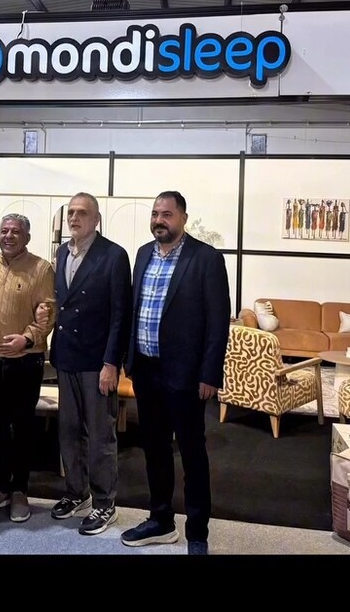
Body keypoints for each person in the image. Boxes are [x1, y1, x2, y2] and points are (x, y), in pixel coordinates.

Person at [120, 191, 230, 555]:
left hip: (186, 375)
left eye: (166, 214)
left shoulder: (206, 258)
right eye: (155, 214)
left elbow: (217, 322)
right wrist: (128, 359)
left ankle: (197, 532)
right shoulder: (143, 254)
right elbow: (134, 309)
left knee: (192, 454)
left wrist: (210, 374)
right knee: (155, 450)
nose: (159, 220)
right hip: (146, 370)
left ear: (183, 217)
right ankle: (161, 520)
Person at [46, 192, 132, 535]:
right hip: (66, 356)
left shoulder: (113, 255)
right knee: (68, 432)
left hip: (97, 361)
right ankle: (76, 492)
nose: (74, 218)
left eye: (82, 213)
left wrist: (112, 363)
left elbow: (120, 315)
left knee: (99, 436)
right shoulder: (62, 252)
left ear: (96, 219)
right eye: (71, 212)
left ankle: (104, 502)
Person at [0, 213, 56, 524]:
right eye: (4, 231)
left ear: (27, 237)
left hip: (25, 360)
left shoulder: (41, 268)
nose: (8, 236)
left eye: (15, 232)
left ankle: (20, 490)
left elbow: (48, 311)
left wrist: (27, 338)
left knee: (22, 426)